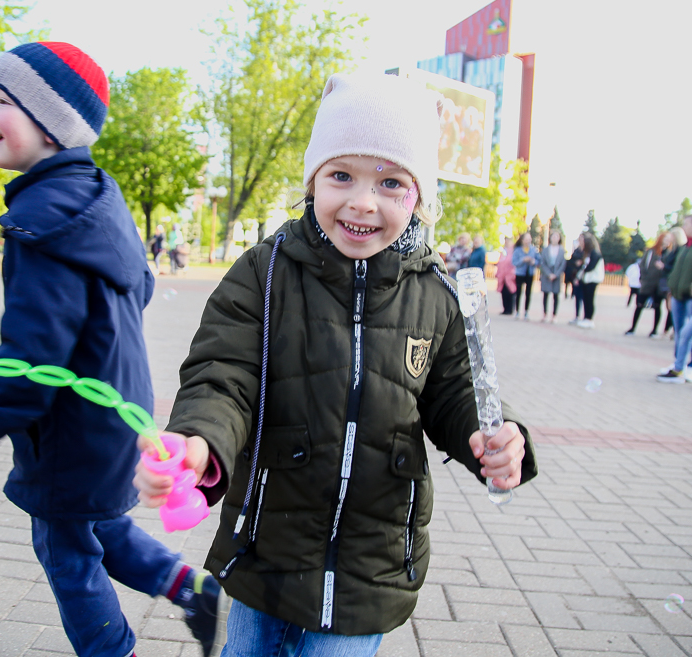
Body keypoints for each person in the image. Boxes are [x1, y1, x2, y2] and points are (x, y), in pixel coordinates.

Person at [133, 73, 537, 656]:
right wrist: (198, 440)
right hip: (265, 551)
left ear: (418, 197)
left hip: (371, 565)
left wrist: (495, 435)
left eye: (391, 182)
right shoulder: (264, 272)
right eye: (341, 175)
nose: (362, 201)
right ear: (312, 180)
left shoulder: (438, 294)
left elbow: (456, 390)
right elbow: (223, 375)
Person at [0, 42, 220, 657]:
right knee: (97, 524)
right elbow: (141, 287)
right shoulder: (96, 200)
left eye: (3, 101)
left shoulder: (44, 217)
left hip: (72, 423)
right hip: (114, 415)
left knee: (65, 548)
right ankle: (196, 592)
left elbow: (30, 362)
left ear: (51, 124)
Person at [658, 214, 692, 383]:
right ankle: (678, 364)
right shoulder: (685, 247)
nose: (684, 227)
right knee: (680, 332)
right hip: (678, 295)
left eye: (687, 224)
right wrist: (672, 288)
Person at [625, 232, 669, 337]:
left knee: (657, 307)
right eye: (666, 239)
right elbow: (642, 265)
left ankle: (654, 330)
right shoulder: (651, 251)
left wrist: (663, 267)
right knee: (639, 305)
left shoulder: (668, 253)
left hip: (659, 285)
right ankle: (632, 328)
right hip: (647, 282)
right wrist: (643, 277)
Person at [660, 226, 687, 338]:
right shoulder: (673, 250)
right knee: (671, 308)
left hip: (674, 283)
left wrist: (664, 266)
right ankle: (672, 331)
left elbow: (675, 266)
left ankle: (675, 332)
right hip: (669, 281)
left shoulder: (681, 250)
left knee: (674, 309)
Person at [575, 233, 604, 329]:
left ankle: (589, 319)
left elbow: (590, 267)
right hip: (586, 280)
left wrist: (582, 267)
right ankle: (586, 317)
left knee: (589, 300)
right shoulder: (588, 253)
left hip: (592, 280)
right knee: (586, 300)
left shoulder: (595, 253)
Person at [538, 230, 566, 322]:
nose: (554, 238)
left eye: (556, 236)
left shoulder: (562, 251)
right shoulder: (545, 250)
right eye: (553, 236)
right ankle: (545, 314)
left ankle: (554, 315)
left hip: (556, 276)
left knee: (556, 296)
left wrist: (556, 274)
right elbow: (543, 263)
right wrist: (548, 274)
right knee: (545, 295)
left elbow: (563, 264)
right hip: (547, 275)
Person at [511, 232, 538, 320]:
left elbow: (539, 261)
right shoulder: (517, 250)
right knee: (518, 292)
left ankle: (526, 311)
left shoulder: (533, 250)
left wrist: (534, 262)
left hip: (529, 274)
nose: (528, 241)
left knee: (528, 293)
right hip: (520, 273)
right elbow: (514, 262)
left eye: (529, 239)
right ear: (522, 240)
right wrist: (523, 260)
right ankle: (517, 311)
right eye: (526, 239)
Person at [496, 236, 517, 315]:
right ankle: (505, 309)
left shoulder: (514, 251)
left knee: (510, 292)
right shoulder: (503, 251)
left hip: (510, 275)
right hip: (502, 275)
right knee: (503, 292)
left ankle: (510, 309)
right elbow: (500, 262)